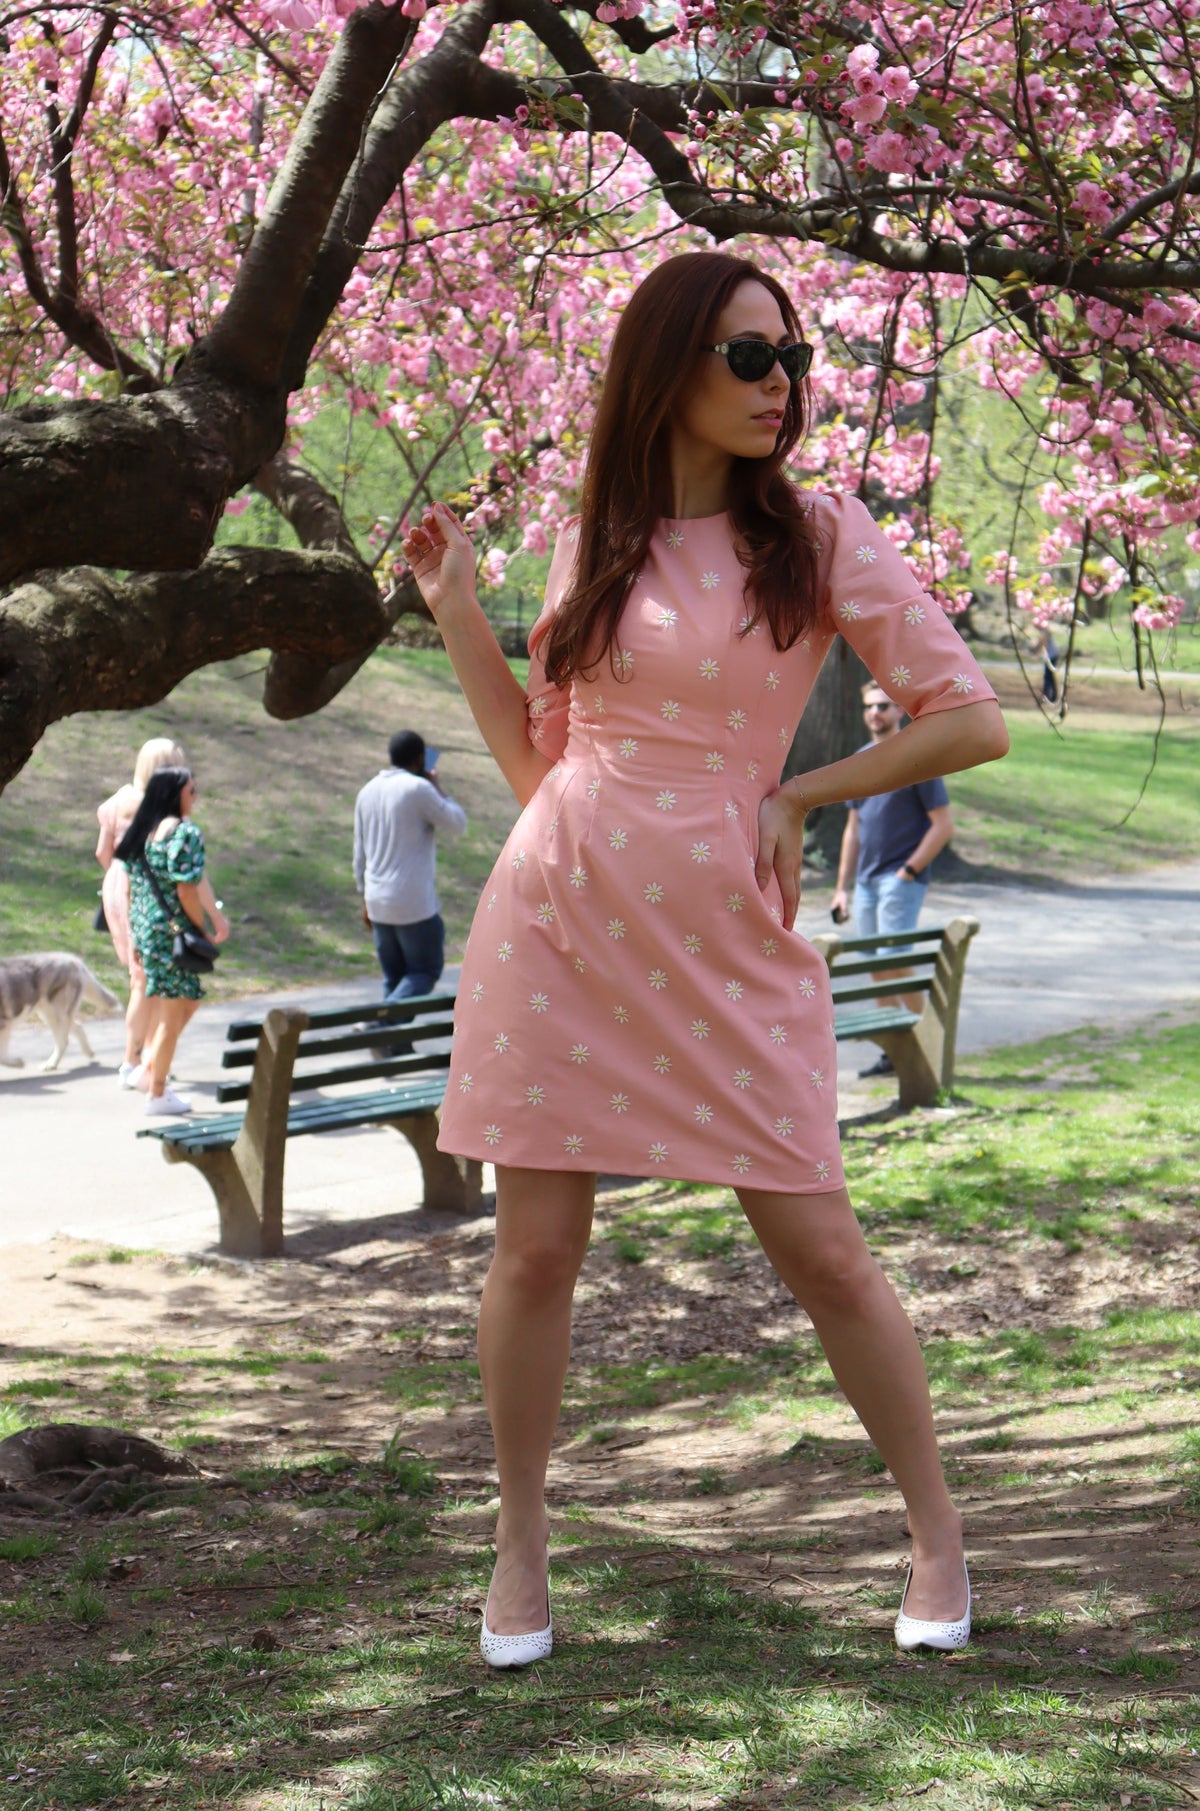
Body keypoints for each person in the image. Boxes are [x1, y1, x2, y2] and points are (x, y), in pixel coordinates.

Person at [400, 250, 1008, 1669]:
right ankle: (523, 1537)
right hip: (555, 915)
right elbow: (533, 765)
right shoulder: (591, 538)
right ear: (666, 365)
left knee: (826, 1251)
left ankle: (934, 1530)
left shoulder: (822, 532)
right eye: (749, 355)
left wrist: (803, 792)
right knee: (536, 1248)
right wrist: (457, 611)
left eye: (790, 356)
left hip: (728, 940)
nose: (781, 382)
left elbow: (967, 718)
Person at [831, 681, 956, 1074]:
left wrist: (908, 872)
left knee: (893, 960)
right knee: (879, 969)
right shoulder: (861, 759)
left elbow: (942, 825)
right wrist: (842, 889)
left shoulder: (917, 757)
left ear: (900, 711)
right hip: (866, 883)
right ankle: (894, 1051)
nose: (875, 713)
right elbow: (853, 829)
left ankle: (927, 1039)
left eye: (884, 706)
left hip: (898, 881)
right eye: (869, 707)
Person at [115, 766, 231, 1116]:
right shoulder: (184, 834)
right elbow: (186, 888)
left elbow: (134, 889)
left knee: (185, 1003)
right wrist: (199, 929)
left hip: (151, 932)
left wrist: (136, 935)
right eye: (191, 791)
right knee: (172, 1011)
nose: (195, 797)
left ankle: (147, 1068)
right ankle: (158, 1091)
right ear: (175, 794)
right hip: (174, 934)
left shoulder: (144, 832)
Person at [95, 736, 187, 1086]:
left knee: (140, 976)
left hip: (115, 883)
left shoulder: (119, 799)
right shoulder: (154, 807)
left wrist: (114, 879)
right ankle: (135, 1061)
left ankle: (140, 1058)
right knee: (144, 979)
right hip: (140, 888)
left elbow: (103, 852)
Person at [353, 730, 466, 1001]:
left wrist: (364, 896)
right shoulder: (418, 789)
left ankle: (393, 1043)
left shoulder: (367, 791)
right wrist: (437, 786)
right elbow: (457, 824)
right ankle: (377, 1027)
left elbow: (360, 853)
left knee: (394, 978)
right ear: (420, 760)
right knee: (424, 972)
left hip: (377, 899)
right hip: (412, 901)